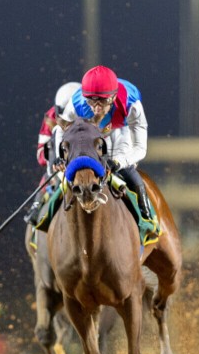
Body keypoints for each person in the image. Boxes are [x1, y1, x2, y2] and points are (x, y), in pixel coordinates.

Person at [59, 65, 158, 238]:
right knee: (61, 182)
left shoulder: (131, 104)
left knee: (128, 173)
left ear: (113, 96)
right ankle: (41, 216)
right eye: (91, 100)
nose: (96, 108)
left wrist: (119, 161)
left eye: (102, 101)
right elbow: (60, 130)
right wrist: (60, 158)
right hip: (88, 139)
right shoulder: (76, 104)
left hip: (120, 132)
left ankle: (147, 219)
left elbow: (141, 148)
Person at [22, 82, 81, 225]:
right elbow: (41, 156)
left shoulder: (93, 113)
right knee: (47, 178)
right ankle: (36, 208)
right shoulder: (51, 117)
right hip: (58, 164)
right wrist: (53, 161)